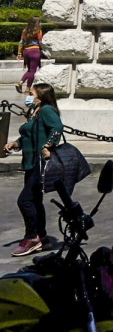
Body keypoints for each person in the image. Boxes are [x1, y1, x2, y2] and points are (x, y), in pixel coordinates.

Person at [6, 82, 63, 256]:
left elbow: (57, 127)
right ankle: (43, 238)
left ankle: (32, 237)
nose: (27, 95)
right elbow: (29, 135)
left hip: (39, 163)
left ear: (41, 96)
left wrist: (48, 145)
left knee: (25, 201)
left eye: (31, 92)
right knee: (36, 201)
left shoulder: (46, 110)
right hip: (31, 163)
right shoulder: (34, 112)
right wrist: (16, 143)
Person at [17, 18, 43, 91]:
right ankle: (28, 88)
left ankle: (21, 82)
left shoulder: (25, 30)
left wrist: (19, 53)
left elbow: (21, 42)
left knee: (29, 70)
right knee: (32, 71)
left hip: (26, 51)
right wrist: (45, 51)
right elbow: (40, 42)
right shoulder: (38, 30)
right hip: (35, 51)